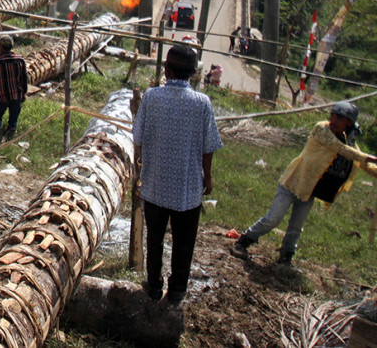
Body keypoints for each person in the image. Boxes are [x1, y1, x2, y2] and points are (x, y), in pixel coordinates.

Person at [231, 101, 377, 265]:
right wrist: (370, 156)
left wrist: (370, 162)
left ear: (349, 124)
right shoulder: (322, 129)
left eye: (340, 118)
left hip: (310, 190)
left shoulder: (350, 145)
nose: (334, 121)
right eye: (333, 116)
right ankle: (243, 241)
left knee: (296, 228)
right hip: (292, 182)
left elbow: (364, 164)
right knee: (273, 219)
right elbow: (341, 149)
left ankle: (286, 256)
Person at [134, 44, 223, 304]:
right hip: (187, 188)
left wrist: (140, 164)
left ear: (166, 69)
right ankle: (177, 291)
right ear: (193, 74)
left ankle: (153, 285)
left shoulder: (151, 97)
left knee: (155, 239)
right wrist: (208, 176)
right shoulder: (202, 102)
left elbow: (138, 136)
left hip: (155, 183)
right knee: (184, 243)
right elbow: (209, 146)